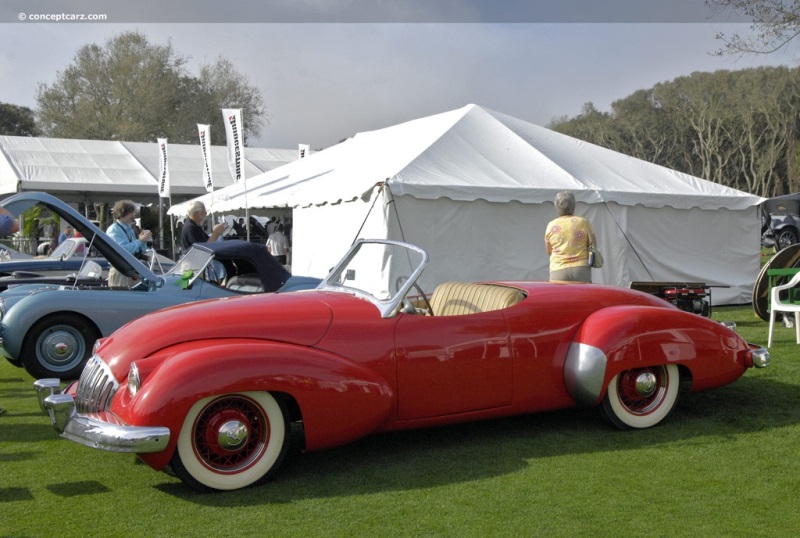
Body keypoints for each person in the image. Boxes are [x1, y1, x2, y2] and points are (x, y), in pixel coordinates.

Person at [544, 191, 596, 283]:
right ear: (574, 206)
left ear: (556, 206)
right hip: (580, 268)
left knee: (560, 297)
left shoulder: (551, 225)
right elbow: (593, 244)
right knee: (583, 296)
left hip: (558, 268)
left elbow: (549, 251)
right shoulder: (583, 222)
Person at [106, 200, 152, 287]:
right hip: (121, 272)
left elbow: (139, 249)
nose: (134, 216)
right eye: (131, 213)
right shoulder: (114, 230)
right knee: (122, 298)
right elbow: (122, 250)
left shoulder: (130, 229)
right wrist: (140, 241)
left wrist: (143, 241)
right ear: (123, 213)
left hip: (133, 270)